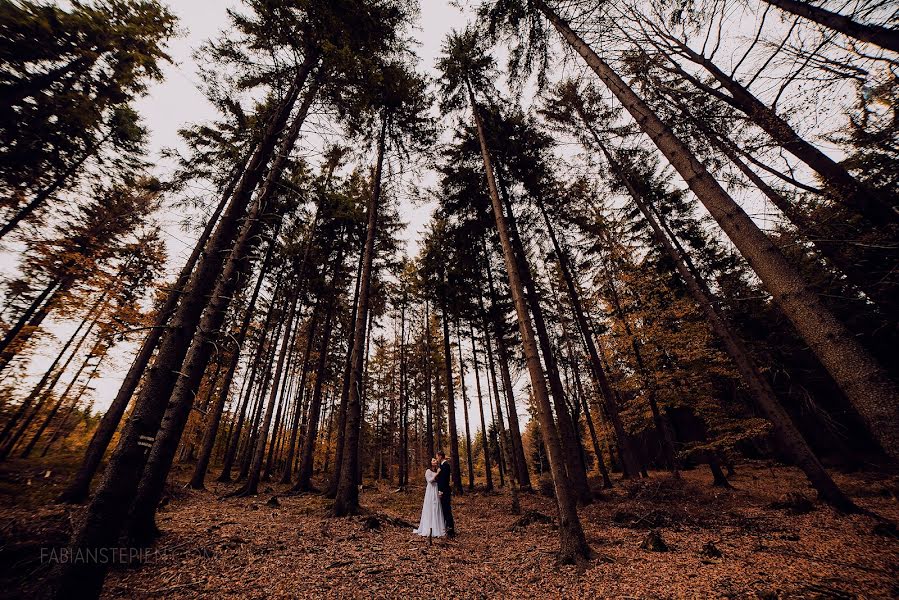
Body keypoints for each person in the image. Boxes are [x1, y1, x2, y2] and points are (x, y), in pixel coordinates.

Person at [413, 458, 445, 537]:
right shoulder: (428, 471)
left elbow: (440, 480)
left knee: (436, 507)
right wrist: (437, 474)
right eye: (433, 460)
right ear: (430, 462)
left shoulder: (438, 469)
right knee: (430, 507)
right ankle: (429, 527)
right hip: (430, 490)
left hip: (436, 489)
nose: (435, 461)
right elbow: (430, 480)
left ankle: (438, 527)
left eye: (435, 460)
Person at [435, 450, 455, 538]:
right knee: (445, 510)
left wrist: (441, 491)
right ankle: (447, 528)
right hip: (445, 491)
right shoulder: (443, 465)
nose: (436, 459)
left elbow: (444, 480)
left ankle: (450, 530)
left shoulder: (445, 465)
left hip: (445, 491)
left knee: (447, 510)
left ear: (440, 456)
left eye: (437, 457)